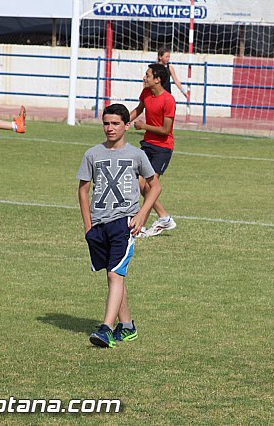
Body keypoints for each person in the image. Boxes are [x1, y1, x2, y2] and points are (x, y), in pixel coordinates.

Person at [77, 103, 162, 348]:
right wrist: (88, 225)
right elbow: (83, 191)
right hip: (99, 224)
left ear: (126, 125)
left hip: (124, 223)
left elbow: (154, 186)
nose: (110, 128)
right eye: (106, 123)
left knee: (115, 274)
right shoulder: (92, 154)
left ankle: (105, 328)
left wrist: (142, 214)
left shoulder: (137, 155)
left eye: (115, 124)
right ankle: (127, 327)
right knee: (113, 276)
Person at [130, 63, 178, 237]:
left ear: (157, 80)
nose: (145, 77)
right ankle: (164, 217)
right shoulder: (146, 93)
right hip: (147, 144)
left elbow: (166, 130)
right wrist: (123, 121)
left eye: (148, 75)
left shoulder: (168, 100)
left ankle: (140, 226)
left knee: (150, 185)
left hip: (162, 148)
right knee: (141, 184)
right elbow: (139, 109)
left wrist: (143, 126)